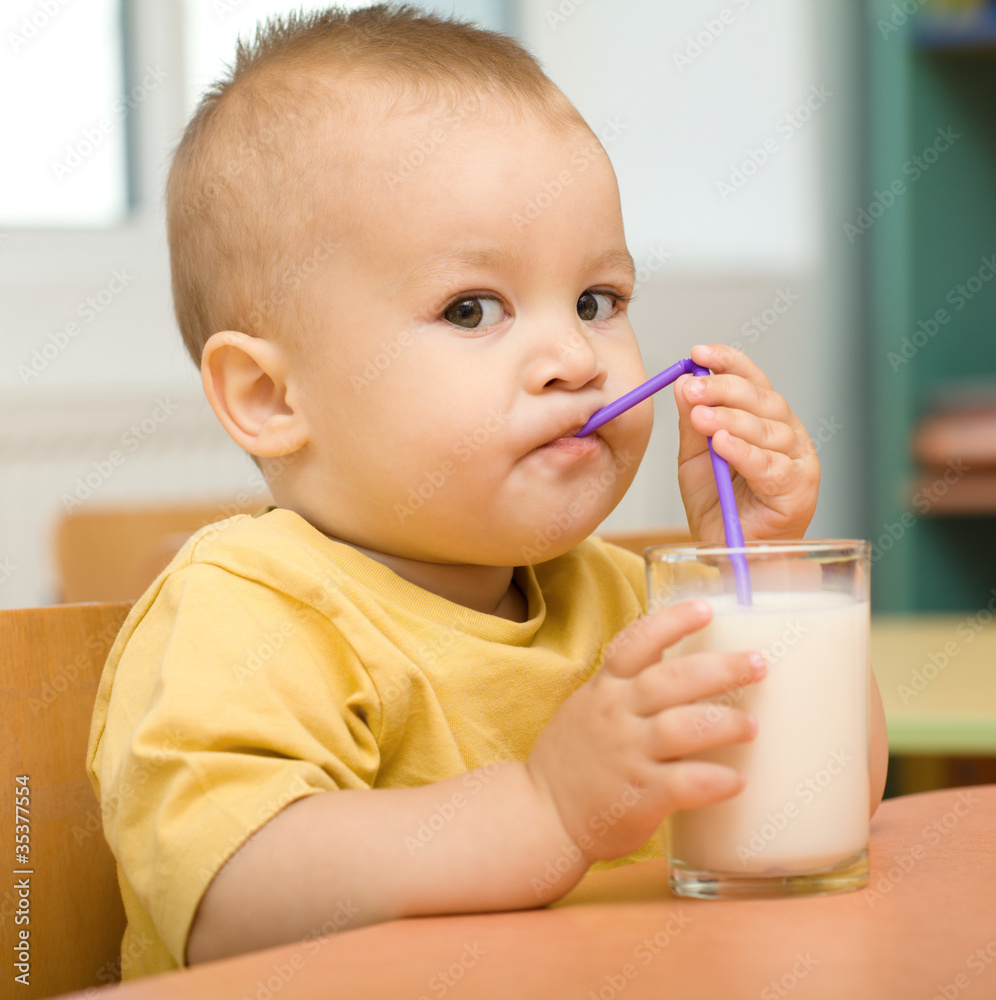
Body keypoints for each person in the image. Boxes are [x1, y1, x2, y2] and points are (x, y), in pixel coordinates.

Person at [87, 4, 888, 979]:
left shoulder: (623, 596)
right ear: (270, 397)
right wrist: (547, 809)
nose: (574, 357)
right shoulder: (250, 608)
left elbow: (813, 810)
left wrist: (756, 569)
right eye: (472, 309)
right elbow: (231, 899)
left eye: (597, 300)